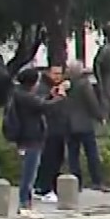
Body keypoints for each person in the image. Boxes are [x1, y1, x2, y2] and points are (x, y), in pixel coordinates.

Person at [5, 67, 67, 218]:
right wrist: (60, 97)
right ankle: (24, 205)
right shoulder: (24, 97)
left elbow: (39, 103)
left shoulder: (21, 94)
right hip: (30, 139)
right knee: (29, 174)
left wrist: (50, 96)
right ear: (32, 82)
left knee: (30, 172)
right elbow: (43, 106)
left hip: (30, 138)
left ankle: (27, 204)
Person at [62, 60, 110, 193]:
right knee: (92, 153)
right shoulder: (84, 84)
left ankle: (76, 183)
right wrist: (100, 116)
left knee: (73, 155)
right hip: (84, 124)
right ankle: (97, 181)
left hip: (69, 124)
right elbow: (92, 102)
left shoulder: (66, 84)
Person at [33, 64, 69, 203]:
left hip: (59, 129)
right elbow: (42, 104)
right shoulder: (43, 87)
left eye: (60, 73)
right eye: (55, 73)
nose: (57, 76)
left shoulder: (60, 86)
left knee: (57, 160)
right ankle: (43, 188)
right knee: (48, 160)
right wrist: (54, 95)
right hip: (47, 130)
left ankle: (52, 187)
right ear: (49, 73)